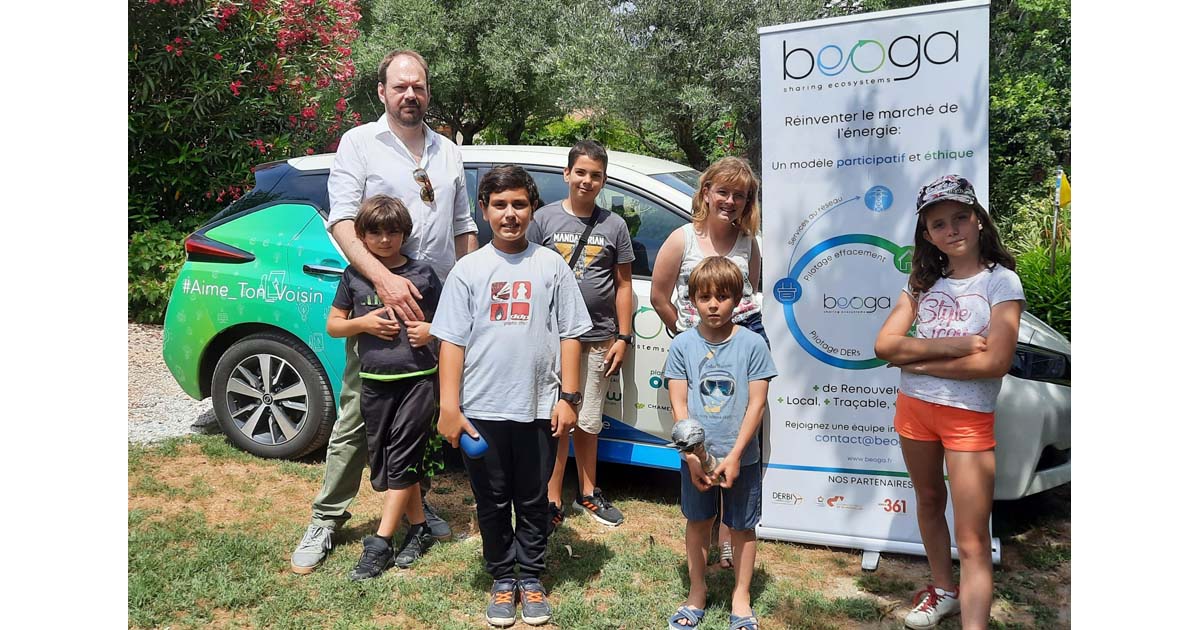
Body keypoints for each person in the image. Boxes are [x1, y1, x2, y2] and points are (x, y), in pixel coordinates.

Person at [291, 48, 478, 575]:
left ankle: (416, 512)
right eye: (400, 86)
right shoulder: (359, 144)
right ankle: (326, 518)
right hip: (381, 306)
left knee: (417, 418)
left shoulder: (446, 151)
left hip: (438, 311)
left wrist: (468, 291)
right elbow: (344, 222)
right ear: (382, 92)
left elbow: (463, 226)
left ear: (427, 90)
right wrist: (385, 280)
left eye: (418, 85)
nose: (410, 94)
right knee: (358, 417)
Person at [431, 165, 591, 627]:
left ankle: (532, 576)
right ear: (483, 210)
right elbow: (452, 343)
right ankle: (503, 577)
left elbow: (571, 336)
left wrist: (569, 397)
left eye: (519, 204)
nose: (509, 214)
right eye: (499, 205)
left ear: (533, 208)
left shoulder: (551, 266)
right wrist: (448, 406)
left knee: (534, 497)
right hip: (481, 411)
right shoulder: (468, 270)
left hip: (539, 408)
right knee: (492, 499)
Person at [873, 175, 1023, 630]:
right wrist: (957, 345)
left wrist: (917, 363)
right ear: (927, 234)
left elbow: (995, 361)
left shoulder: (1002, 282)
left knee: (974, 536)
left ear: (978, 220)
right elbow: (884, 345)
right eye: (939, 223)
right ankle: (943, 590)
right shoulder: (921, 281)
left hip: (968, 419)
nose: (952, 229)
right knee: (929, 500)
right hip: (914, 411)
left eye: (960, 217)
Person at [650, 156, 764, 569]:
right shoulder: (682, 239)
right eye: (723, 191)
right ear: (706, 193)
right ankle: (706, 524)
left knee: (737, 438)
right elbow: (660, 296)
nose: (730, 201)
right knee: (697, 435)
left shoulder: (750, 243)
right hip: (696, 352)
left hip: (741, 349)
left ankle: (730, 535)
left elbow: (752, 293)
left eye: (740, 195)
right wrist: (686, 335)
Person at [325, 196, 442, 580]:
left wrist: (430, 331)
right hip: (373, 383)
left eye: (393, 231)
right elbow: (335, 325)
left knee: (402, 458)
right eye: (375, 231)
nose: (385, 239)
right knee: (386, 461)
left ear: (405, 234)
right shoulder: (353, 277)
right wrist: (366, 325)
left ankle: (380, 543)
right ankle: (421, 528)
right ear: (361, 235)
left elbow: (450, 322)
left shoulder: (423, 274)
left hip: (418, 382)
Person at [663, 256, 776, 630]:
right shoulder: (682, 346)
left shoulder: (753, 344)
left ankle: (740, 599)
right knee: (698, 521)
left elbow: (757, 404)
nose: (714, 305)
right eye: (705, 296)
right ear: (692, 299)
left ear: (738, 299)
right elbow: (678, 405)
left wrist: (737, 455)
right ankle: (697, 592)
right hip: (697, 457)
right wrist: (694, 457)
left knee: (742, 526)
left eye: (723, 296)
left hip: (741, 456)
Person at [527, 139, 635, 529]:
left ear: (604, 180)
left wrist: (623, 337)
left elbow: (624, 285)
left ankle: (587, 492)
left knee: (588, 420)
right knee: (557, 419)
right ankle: (551, 496)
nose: (587, 181)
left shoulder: (614, 225)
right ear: (567, 174)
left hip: (598, 338)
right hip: (550, 339)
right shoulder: (543, 219)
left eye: (596, 175)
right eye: (581, 173)